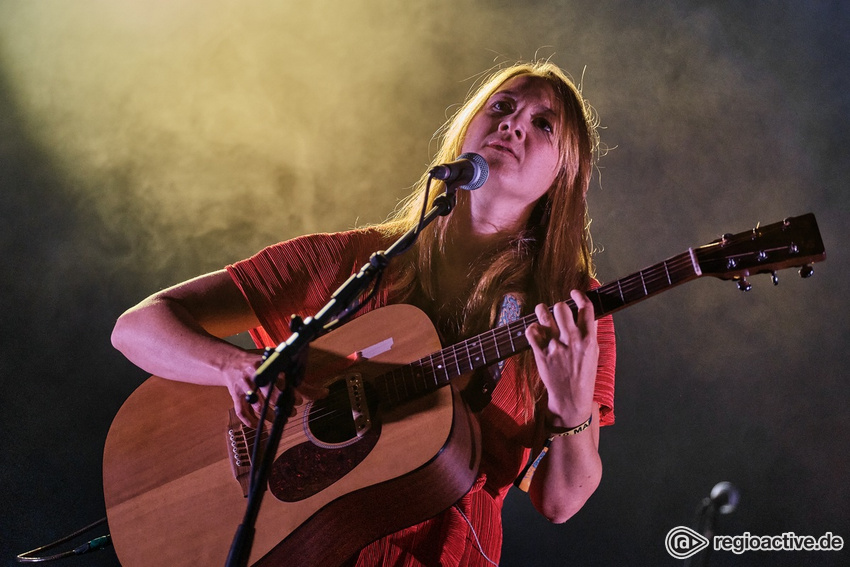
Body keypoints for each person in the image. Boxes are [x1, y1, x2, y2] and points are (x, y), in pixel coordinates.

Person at [111, 60, 616, 566]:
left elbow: (560, 501)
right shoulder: (357, 260)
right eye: (501, 107)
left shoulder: (571, 307)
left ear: (564, 174)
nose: (512, 124)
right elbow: (137, 327)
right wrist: (238, 368)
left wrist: (572, 408)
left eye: (543, 123)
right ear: (466, 129)